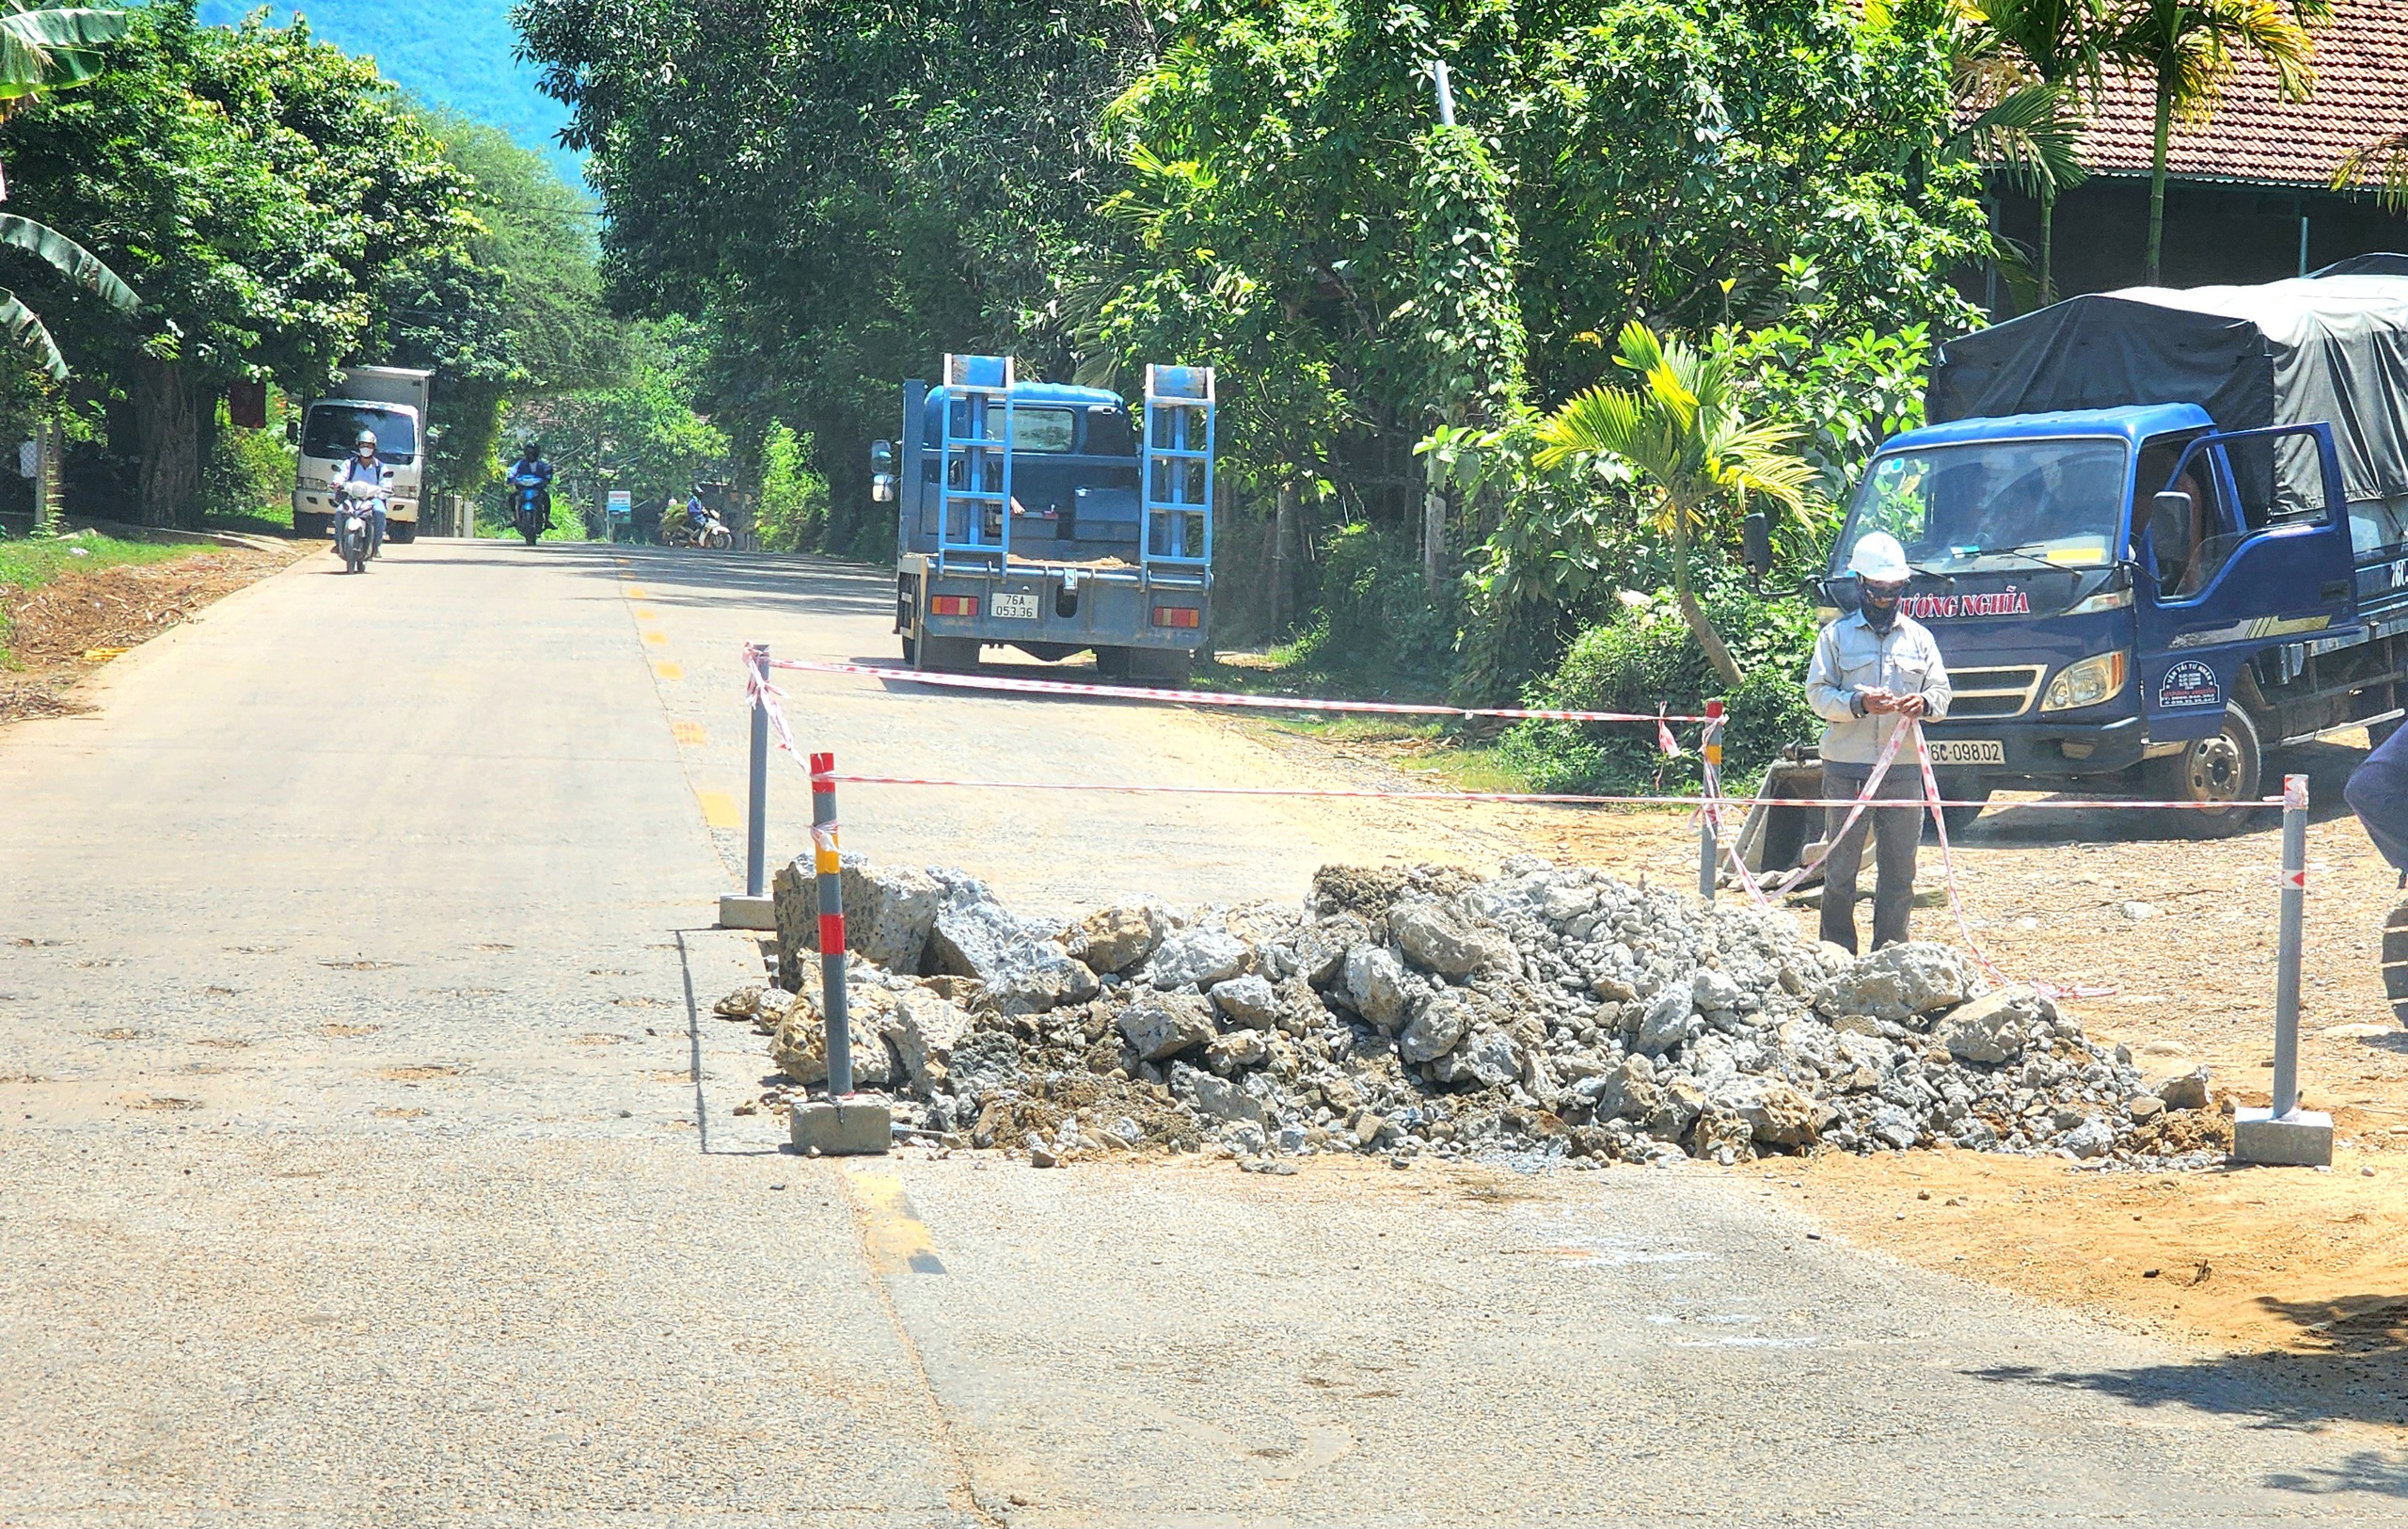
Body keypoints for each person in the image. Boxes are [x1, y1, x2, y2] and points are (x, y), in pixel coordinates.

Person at [1804, 531, 1954, 953]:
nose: (1887, 598)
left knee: (1899, 871)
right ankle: (1835, 954)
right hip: (1847, 769)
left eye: (1895, 590)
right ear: (1860, 585)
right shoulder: (1835, 638)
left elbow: (1942, 695)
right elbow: (1817, 694)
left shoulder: (1920, 639)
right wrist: (1858, 702)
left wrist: (1921, 702)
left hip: (1903, 771)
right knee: (1841, 869)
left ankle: (1890, 954)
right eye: (1878, 590)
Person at [333, 428, 388, 558]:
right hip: (352, 498)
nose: (366, 448)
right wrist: (337, 483)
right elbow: (340, 475)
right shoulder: (349, 464)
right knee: (340, 511)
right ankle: (338, 543)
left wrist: (384, 490)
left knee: (380, 512)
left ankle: (376, 546)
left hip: (372, 499)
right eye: (363, 445)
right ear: (358, 446)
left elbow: (386, 482)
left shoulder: (380, 467)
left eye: (369, 445)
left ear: (374, 448)